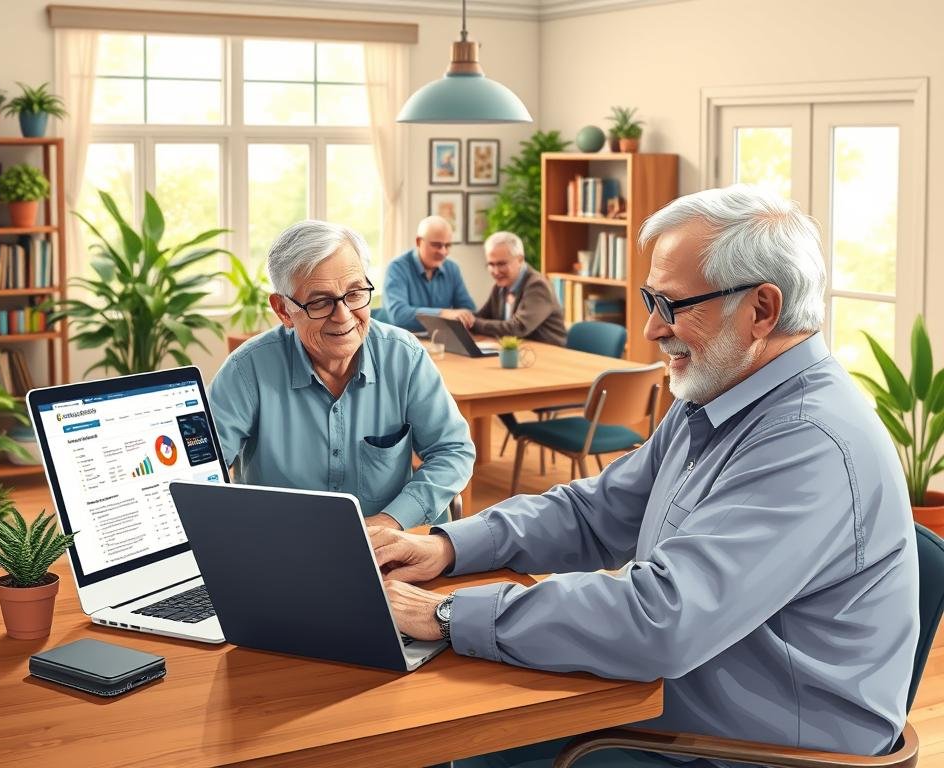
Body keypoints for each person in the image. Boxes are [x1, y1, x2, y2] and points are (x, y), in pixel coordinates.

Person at [370, 185, 919, 766]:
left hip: (753, 748)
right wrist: (447, 545)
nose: (652, 330)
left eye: (673, 305)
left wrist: (450, 614)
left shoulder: (812, 443)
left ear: (761, 309)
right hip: (680, 705)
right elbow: (596, 512)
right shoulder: (717, 396)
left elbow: (661, 619)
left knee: (465, 741)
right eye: (649, 300)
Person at [209, 220, 476, 530]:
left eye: (354, 294)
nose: (344, 316)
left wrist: (391, 522)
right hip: (282, 546)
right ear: (283, 310)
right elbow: (201, 475)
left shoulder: (404, 355)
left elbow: (452, 450)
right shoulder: (247, 369)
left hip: (389, 550)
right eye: (320, 302)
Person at [465, 231, 566, 345]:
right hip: (515, 350)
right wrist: (463, 318)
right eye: (491, 264)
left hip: (547, 354)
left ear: (520, 260)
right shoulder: (500, 286)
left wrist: (473, 322)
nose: (496, 271)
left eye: (501, 264)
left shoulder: (537, 285)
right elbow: (483, 316)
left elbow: (518, 328)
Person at [383, 215, 476, 333]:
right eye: (436, 245)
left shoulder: (452, 268)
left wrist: (464, 316)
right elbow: (399, 315)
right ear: (418, 242)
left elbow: (468, 310)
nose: (443, 251)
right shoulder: (397, 268)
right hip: (404, 343)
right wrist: (443, 314)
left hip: (443, 342)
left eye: (447, 245)